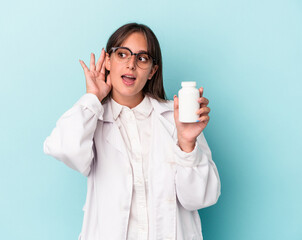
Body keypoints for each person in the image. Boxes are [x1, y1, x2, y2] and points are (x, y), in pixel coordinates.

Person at [43, 22, 221, 240]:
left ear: (152, 71)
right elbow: (64, 148)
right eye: (122, 54)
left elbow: (199, 199)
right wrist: (92, 98)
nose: (131, 65)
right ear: (108, 61)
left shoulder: (177, 119)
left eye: (142, 58)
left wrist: (186, 144)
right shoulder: (92, 119)